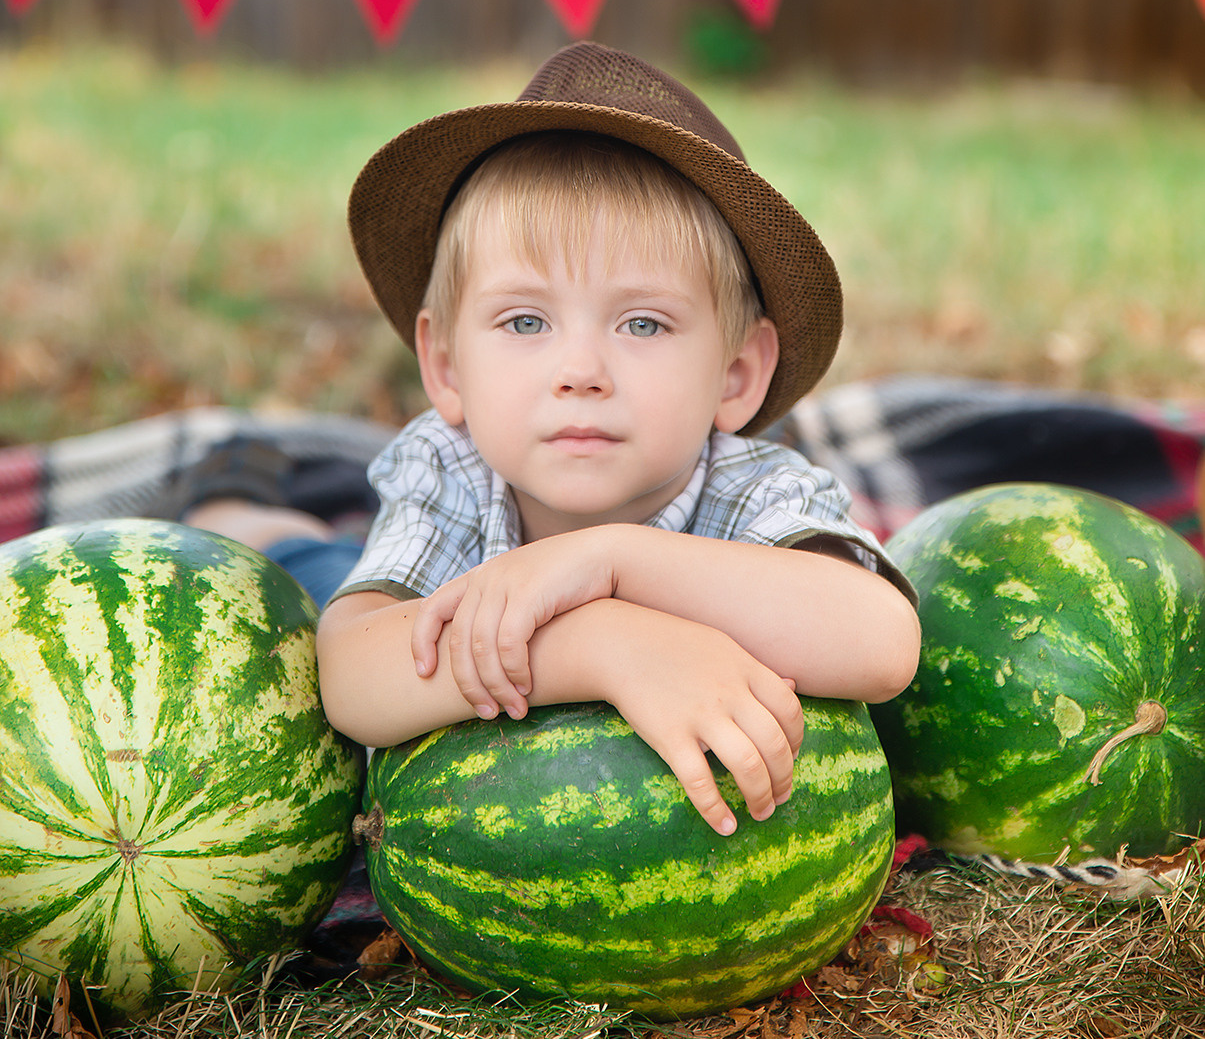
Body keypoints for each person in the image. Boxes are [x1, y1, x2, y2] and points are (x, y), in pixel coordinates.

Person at [178, 44, 921, 838]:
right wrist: (601, 640)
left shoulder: (750, 486)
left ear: (735, 375)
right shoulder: (455, 469)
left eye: (642, 322)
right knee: (302, 567)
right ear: (444, 365)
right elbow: (356, 678)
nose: (579, 370)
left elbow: (880, 643)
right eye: (525, 321)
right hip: (408, 578)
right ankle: (236, 493)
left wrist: (612, 560)